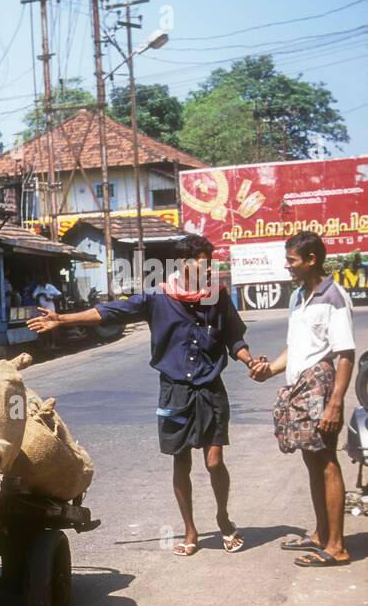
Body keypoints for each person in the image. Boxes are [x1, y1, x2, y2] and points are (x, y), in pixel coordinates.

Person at [28, 235, 262, 556]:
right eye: (202, 262)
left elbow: (234, 338)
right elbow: (111, 311)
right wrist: (62, 319)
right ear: (183, 263)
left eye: (210, 262)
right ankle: (190, 530)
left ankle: (222, 517)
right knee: (181, 463)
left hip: (210, 390)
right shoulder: (158, 297)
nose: (208, 269)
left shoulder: (218, 297)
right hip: (174, 392)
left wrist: (251, 361)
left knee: (214, 461)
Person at [249, 231, 357, 567]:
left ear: (312, 260)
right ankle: (321, 533)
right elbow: (296, 348)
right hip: (300, 388)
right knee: (312, 460)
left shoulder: (334, 297)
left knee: (326, 461)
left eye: (292, 261)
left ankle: (337, 546)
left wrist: (335, 402)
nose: (288, 266)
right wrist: (270, 369)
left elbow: (345, 354)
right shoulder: (299, 296)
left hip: (321, 389)